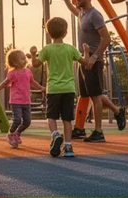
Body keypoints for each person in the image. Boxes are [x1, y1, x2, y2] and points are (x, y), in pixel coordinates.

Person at [68, 0, 125, 142]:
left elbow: (106, 39)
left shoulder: (95, 15)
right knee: (88, 94)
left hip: (93, 59)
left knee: (95, 96)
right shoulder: (81, 14)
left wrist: (94, 57)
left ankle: (99, 131)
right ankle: (116, 111)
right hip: (83, 58)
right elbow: (69, 5)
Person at [37, 17, 91, 158]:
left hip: (53, 89)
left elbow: (36, 64)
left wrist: (32, 54)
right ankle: (68, 147)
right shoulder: (70, 49)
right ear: (65, 33)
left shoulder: (47, 49)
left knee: (51, 116)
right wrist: (86, 51)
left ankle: (55, 135)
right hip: (68, 89)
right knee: (67, 119)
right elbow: (85, 62)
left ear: (48, 33)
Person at [0, 49, 43, 148]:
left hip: (26, 101)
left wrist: (41, 88)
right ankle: (10, 133)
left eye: (24, 58)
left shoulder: (28, 72)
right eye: (22, 59)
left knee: (27, 122)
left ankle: (17, 133)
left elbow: (32, 82)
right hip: (16, 101)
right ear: (15, 62)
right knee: (17, 120)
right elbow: (5, 82)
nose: (25, 60)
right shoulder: (13, 73)